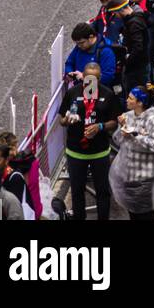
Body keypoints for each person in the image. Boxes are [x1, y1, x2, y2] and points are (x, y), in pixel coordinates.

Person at [58, 61, 120, 221]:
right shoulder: (72, 93)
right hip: (75, 153)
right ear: (83, 77)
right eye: (87, 79)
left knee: (103, 191)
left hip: (99, 152)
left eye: (95, 79)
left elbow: (114, 121)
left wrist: (100, 126)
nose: (90, 83)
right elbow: (61, 120)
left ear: (99, 79)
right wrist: (67, 120)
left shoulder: (108, 95)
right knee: (77, 191)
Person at [110, 86, 154, 221]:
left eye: (131, 98)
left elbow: (153, 145)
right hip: (129, 175)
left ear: (140, 103)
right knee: (134, 213)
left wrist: (134, 134)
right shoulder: (128, 116)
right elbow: (118, 141)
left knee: (145, 214)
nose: (127, 100)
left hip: (145, 177)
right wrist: (122, 127)